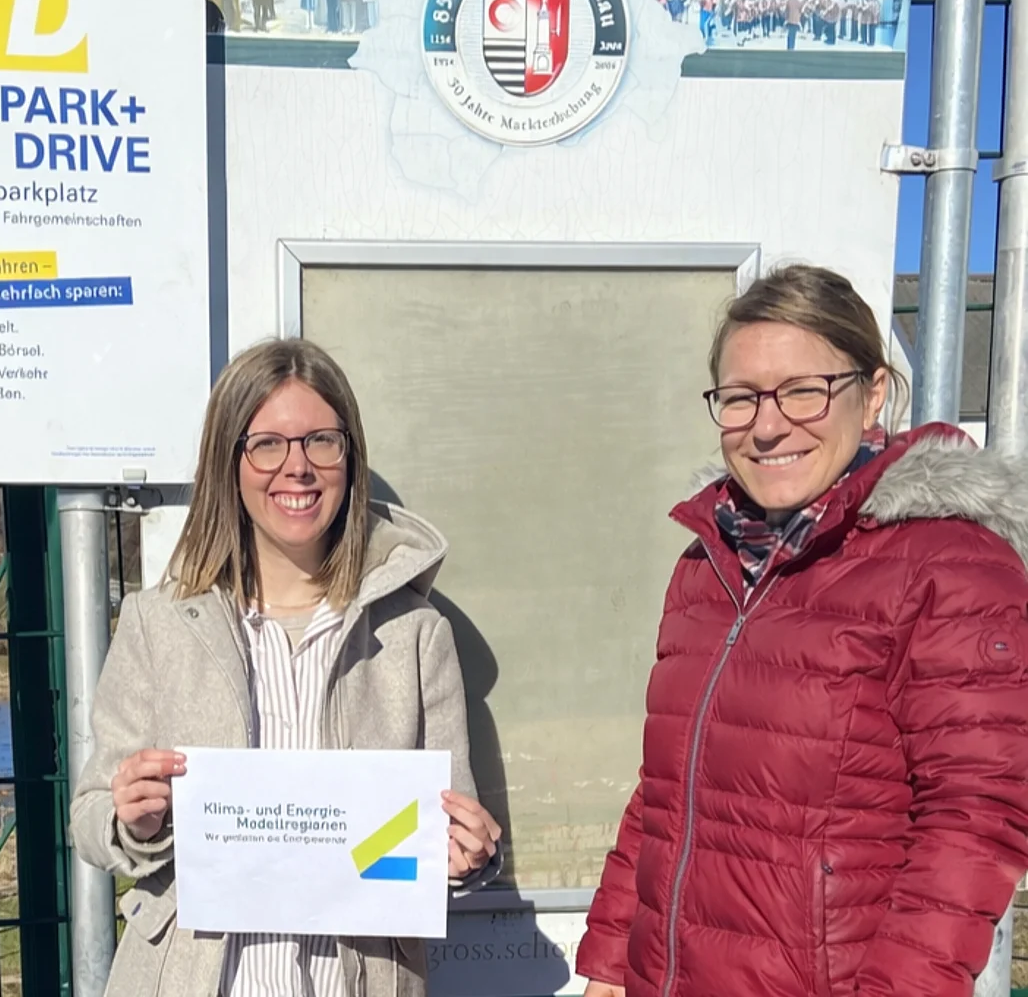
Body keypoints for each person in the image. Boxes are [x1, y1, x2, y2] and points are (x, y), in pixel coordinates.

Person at [577, 264, 1028, 997]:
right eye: (741, 396)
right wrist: (608, 962)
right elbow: (666, 796)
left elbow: (975, 825)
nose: (767, 424)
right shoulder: (708, 564)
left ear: (872, 393)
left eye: (803, 390)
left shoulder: (950, 564)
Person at [69, 337, 503, 996]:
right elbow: (91, 817)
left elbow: (445, 831)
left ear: (349, 459)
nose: (295, 467)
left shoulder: (416, 638)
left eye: (320, 442)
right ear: (231, 463)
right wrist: (131, 819)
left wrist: (467, 858)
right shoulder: (158, 624)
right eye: (267, 443)